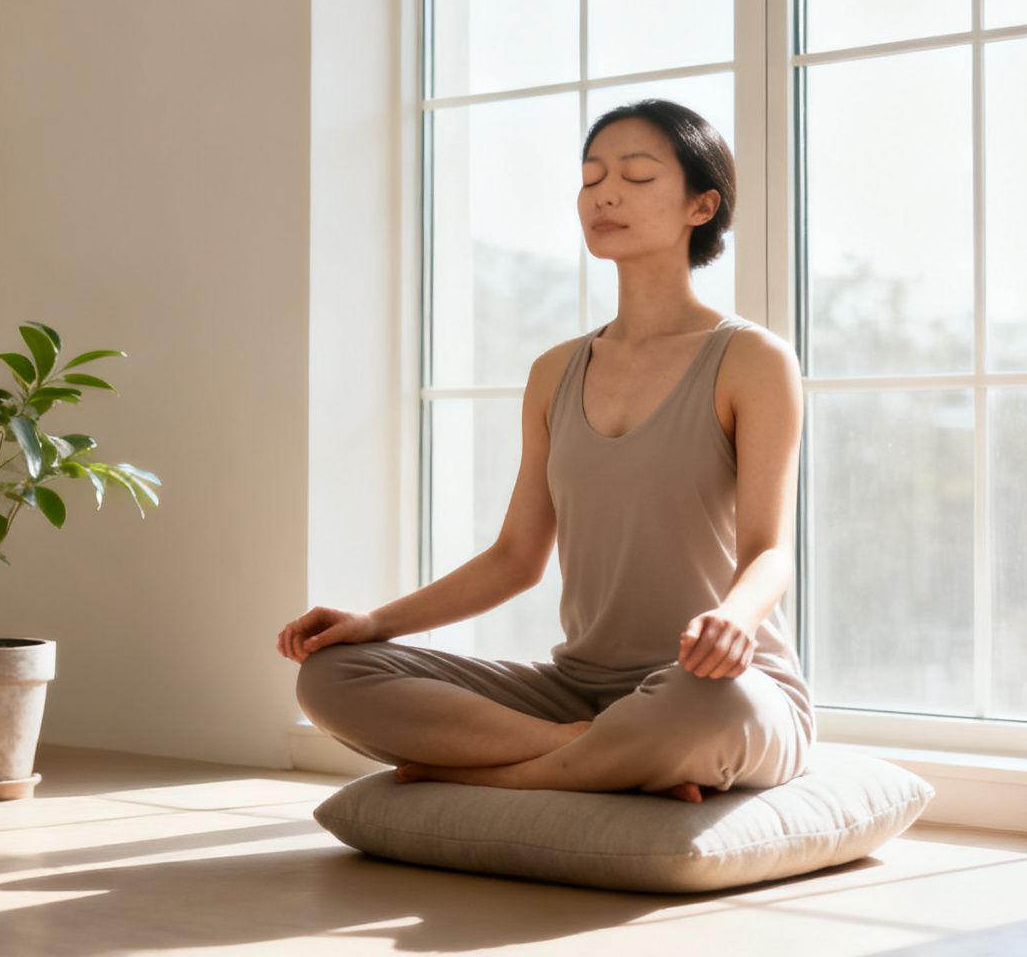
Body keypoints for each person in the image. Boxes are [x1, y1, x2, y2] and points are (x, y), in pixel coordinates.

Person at [279, 99, 812, 803]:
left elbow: (768, 551)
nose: (606, 194)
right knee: (330, 676)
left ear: (701, 204)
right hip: (579, 691)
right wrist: (375, 623)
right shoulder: (556, 371)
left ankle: (488, 771)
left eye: (638, 176)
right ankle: (592, 757)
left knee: (707, 709)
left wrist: (735, 621)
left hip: (717, 686)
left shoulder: (752, 360)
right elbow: (515, 558)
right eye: (591, 178)